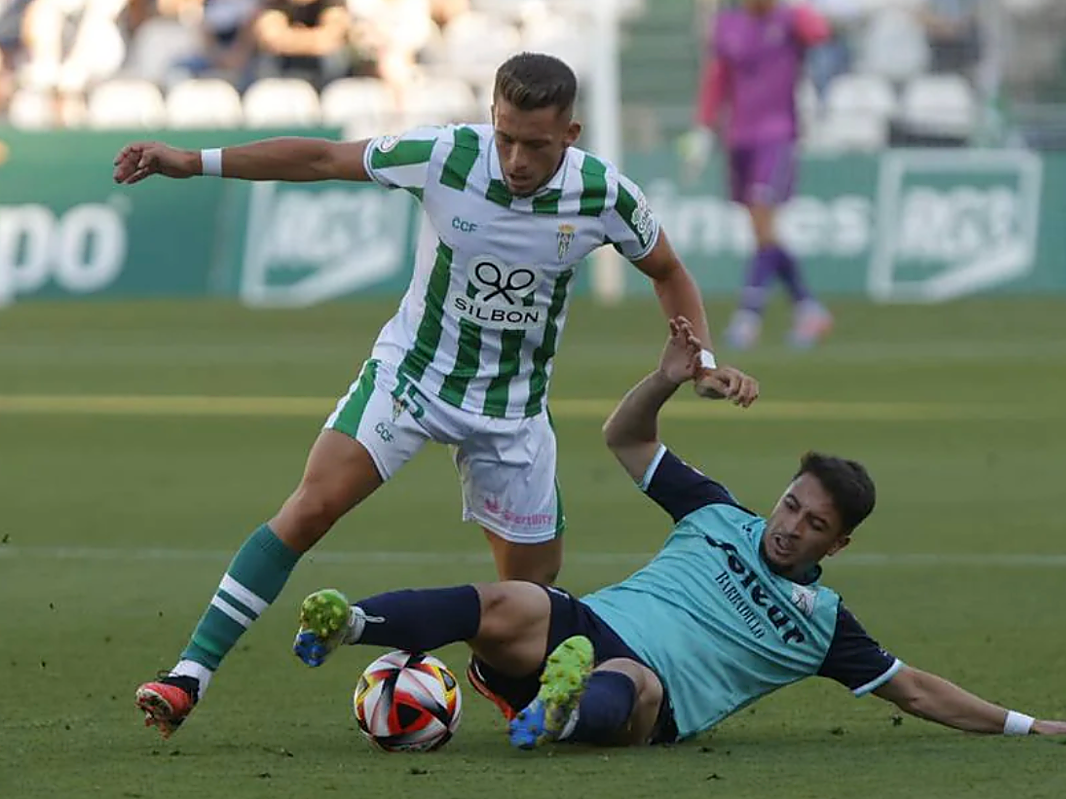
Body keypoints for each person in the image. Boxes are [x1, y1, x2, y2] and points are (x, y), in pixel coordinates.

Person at [113, 52, 755, 738]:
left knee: (529, 601)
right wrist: (192, 160)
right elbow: (324, 159)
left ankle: (513, 693)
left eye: (535, 144)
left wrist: (704, 359)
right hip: (413, 379)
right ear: (491, 119)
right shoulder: (446, 156)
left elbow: (668, 269)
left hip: (512, 413)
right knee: (310, 507)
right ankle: (189, 676)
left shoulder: (603, 194)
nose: (514, 159)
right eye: (504, 136)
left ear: (569, 134)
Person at [292, 316, 1066, 749]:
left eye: (813, 524)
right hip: (587, 627)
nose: (789, 527)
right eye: (791, 505)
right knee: (511, 600)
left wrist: (1026, 726)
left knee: (632, 683)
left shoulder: (823, 627)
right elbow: (625, 438)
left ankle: (563, 714)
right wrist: (664, 381)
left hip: (655, 699)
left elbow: (914, 689)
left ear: (838, 546)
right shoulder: (718, 514)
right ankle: (352, 626)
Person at [681, 0, 834, 351]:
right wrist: (704, 129)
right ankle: (808, 306)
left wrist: (797, 13)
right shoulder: (728, 26)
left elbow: (820, 32)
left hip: (777, 136)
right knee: (762, 232)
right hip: (739, 138)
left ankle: (749, 314)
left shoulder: (790, 20)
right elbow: (717, 80)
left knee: (764, 220)